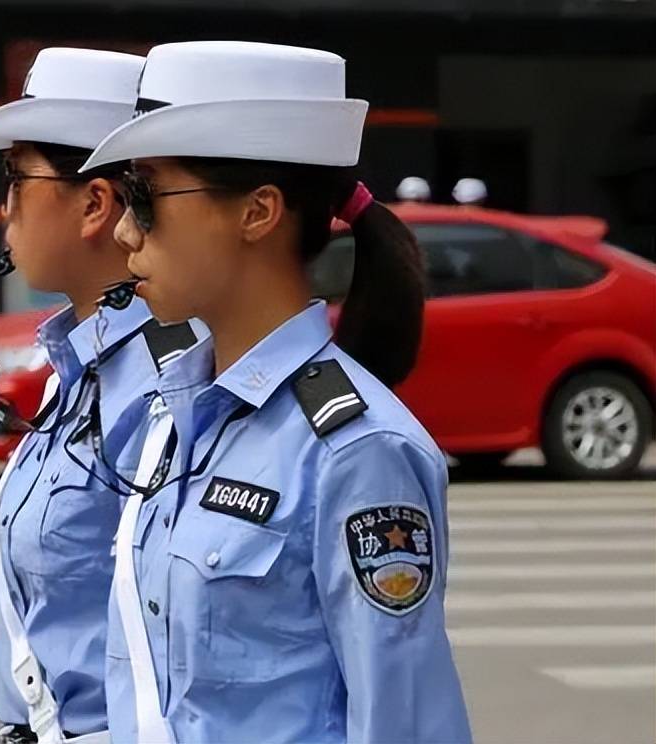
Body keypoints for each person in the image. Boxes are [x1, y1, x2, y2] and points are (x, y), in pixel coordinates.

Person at [80, 41, 472, 743]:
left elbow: (405, 723)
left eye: (146, 196)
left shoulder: (357, 451)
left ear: (258, 212)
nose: (121, 228)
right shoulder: (173, 416)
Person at [0, 48, 202, 744]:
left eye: (16, 178)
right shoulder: (82, 364)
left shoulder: (166, 383)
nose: (4, 206)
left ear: (95, 204)